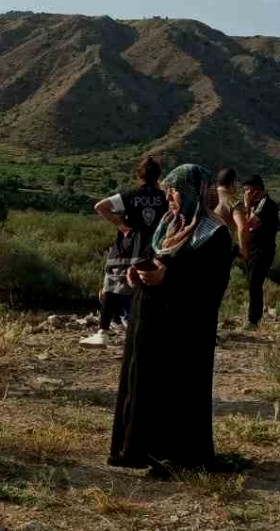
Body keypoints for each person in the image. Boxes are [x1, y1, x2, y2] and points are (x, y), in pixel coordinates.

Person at [109, 164, 233, 476]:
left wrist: (169, 277)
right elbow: (159, 257)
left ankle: (174, 456)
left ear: (192, 192)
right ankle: (138, 449)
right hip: (150, 318)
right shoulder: (170, 223)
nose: (170, 196)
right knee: (143, 380)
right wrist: (138, 269)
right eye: (168, 190)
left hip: (183, 329)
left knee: (175, 389)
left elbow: (211, 283)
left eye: (175, 190)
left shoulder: (214, 233)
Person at [83, 156, 167, 347]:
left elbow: (100, 207)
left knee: (112, 287)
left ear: (139, 175)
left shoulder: (130, 195)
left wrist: (121, 225)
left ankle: (103, 332)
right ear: (158, 175)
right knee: (148, 289)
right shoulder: (164, 198)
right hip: (154, 249)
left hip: (126, 249)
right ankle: (146, 330)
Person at [241, 175, 279, 330]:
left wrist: (247, 204)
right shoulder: (258, 204)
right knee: (252, 282)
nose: (247, 194)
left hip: (262, 250)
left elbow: (250, 221)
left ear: (257, 190)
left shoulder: (265, 205)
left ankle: (253, 320)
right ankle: (253, 317)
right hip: (253, 249)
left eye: (249, 191)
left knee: (254, 283)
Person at [214, 168, 250, 262]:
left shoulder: (208, 195)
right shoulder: (232, 202)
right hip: (221, 249)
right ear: (232, 182)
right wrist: (243, 250)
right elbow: (242, 228)